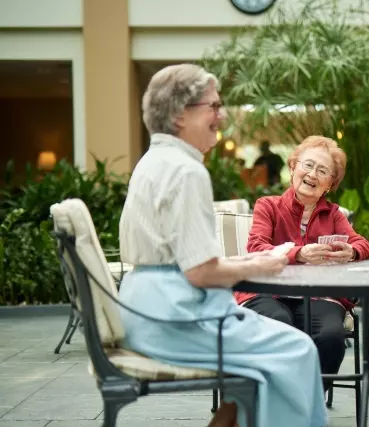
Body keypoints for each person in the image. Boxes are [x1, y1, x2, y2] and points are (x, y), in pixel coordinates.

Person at [117, 64, 327, 427]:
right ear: (181, 114)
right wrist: (262, 264)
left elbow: (184, 257)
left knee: (266, 360)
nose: (221, 115)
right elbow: (201, 272)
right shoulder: (186, 170)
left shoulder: (152, 161)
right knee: (297, 350)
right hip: (175, 320)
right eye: (212, 106)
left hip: (146, 310)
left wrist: (252, 259)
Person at [234, 135, 369, 389]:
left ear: (329, 184)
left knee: (331, 336)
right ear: (293, 167)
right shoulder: (268, 206)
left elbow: (363, 245)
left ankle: (308, 401)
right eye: (307, 165)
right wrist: (298, 254)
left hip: (318, 296)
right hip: (268, 291)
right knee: (277, 324)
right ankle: (280, 399)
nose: (312, 174)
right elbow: (257, 246)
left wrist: (350, 251)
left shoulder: (333, 214)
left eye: (323, 171)